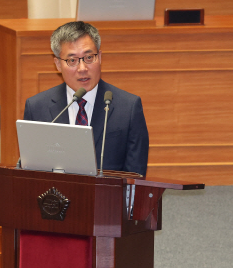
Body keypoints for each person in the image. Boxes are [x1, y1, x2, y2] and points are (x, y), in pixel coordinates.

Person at [23, 21, 149, 175]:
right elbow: (31, 171)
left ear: (100, 57)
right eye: (72, 60)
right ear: (57, 64)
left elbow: (135, 175)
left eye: (89, 57)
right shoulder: (36, 107)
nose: (82, 68)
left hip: (107, 197)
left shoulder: (128, 107)